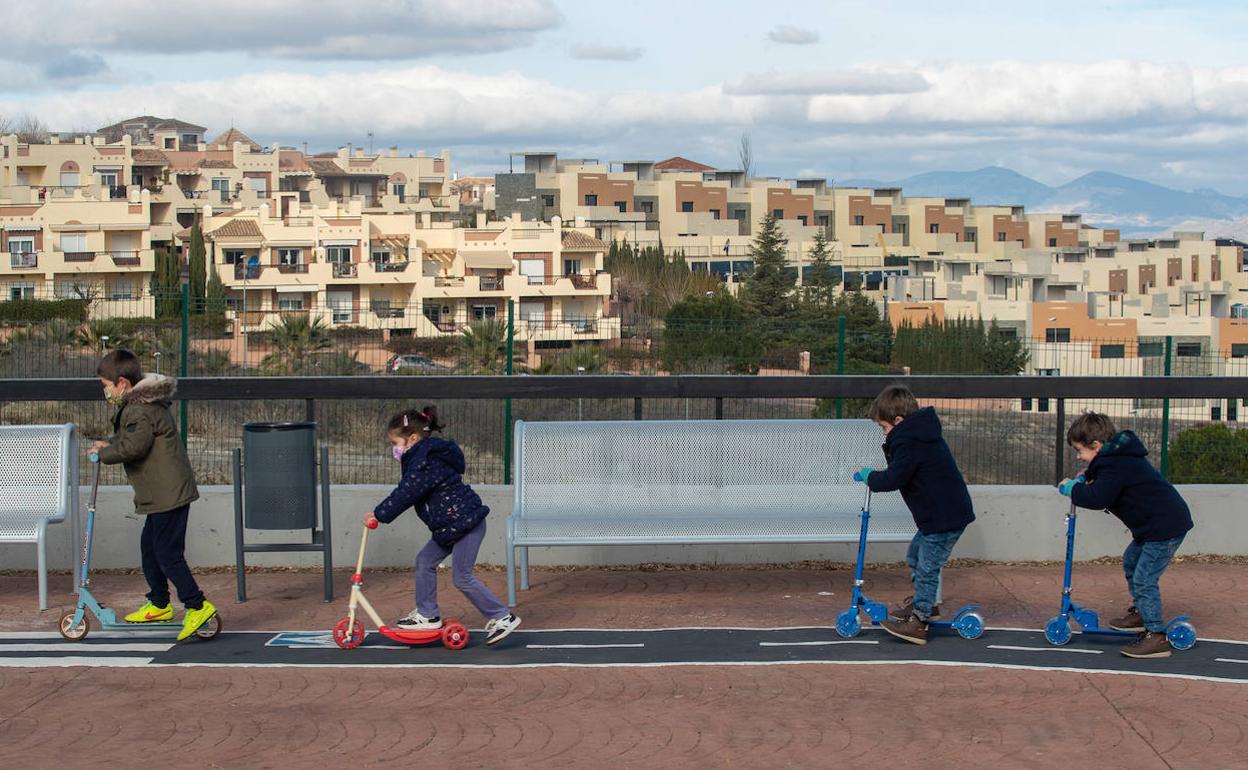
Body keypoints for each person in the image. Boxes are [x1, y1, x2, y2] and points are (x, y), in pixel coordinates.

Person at [365, 406, 521, 645]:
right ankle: (427, 614)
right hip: (450, 527)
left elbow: (406, 493)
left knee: (462, 577)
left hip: (466, 525)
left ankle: (502, 617)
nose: (394, 449)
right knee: (425, 561)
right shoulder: (422, 458)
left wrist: (379, 514)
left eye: (395, 443)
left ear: (413, 439)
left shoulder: (424, 463)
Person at [91, 349, 216, 641]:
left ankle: (197, 605)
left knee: (167, 554)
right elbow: (133, 437)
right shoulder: (142, 406)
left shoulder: (138, 409)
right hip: (162, 492)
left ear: (121, 383)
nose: (105, 393)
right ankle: (159, 603)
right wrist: (108, 444)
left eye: (105, 386)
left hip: (167, 493)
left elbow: (134, 447)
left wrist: (105, 454)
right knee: (150, 548)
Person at [1058, 412, 1194, 658]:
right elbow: (1102, 477)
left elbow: (1098, 497)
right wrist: (1086, 477)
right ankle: (1143, 611)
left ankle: (1156, 636)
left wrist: (1072, 489)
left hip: (1164, 527)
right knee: (1131, 561)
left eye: (1080, 451)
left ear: (1096, 446)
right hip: (1152, 526)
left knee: (1144, 578)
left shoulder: (1115, 463)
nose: (1079, 457)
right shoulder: (1115, 458)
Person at [854, 385, 976, 645]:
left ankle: (919, 621)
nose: (884, 434)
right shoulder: (918, 436)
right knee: (915, 556)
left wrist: (870, 477)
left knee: (928, 566)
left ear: (899, 422)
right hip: (939, 515)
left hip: (944, 518)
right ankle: (926, 604)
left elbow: (895, 477)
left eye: (884, 428)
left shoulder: (910, 441)